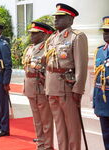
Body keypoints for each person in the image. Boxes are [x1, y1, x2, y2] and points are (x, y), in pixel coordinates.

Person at [44, 3, 88, 150]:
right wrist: (46, 87)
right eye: (55, 17)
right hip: (52, 88)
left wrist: (78, 90)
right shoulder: (51, 39)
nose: (56, 20)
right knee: (59, 126)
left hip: (67, 88)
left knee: (72, 126)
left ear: (70, 19)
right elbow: (48, 65)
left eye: (60, 17)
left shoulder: (77, 37)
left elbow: (81, 65)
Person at [22, 22, 54, 150]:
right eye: (31, 33)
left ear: (43, 34)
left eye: (35, 34)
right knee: (37, 120)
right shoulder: (29, 48)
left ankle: (48, 146)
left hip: (41, 87)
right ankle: (40, 144)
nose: (31, 36)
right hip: (30, 87)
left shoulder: (47, 49)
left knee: (46, 120)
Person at [93, 16, 109, 150]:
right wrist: (95, 102)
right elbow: (96, 79)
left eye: (108, 31)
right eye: (104, 31)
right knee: (106, 135)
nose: (106, 34)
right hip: (103, 101)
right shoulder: (99, 51)